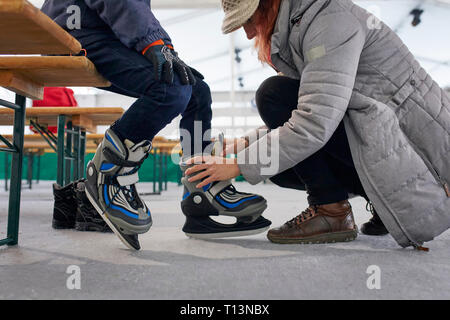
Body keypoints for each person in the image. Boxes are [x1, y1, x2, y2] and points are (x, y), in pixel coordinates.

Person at [186, 0, 450, 249]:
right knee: (277, 166)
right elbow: (321, 111)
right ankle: (378, 202)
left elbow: (314, 122)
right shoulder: (306, 22)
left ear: (269, 3)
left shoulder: (330, 22)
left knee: (272, 95)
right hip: (388, 141)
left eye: (249, 20)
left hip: (423, 161)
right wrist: (245, 143)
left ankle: (331, 210)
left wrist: (237, 165)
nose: (248, 34)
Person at [41, 0, 266, 250]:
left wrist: (156, 43)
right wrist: (156, 43)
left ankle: (201, 190)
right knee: (172, 88)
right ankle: (108, 172)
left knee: (196, 90)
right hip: (72, 32)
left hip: (102, 30)